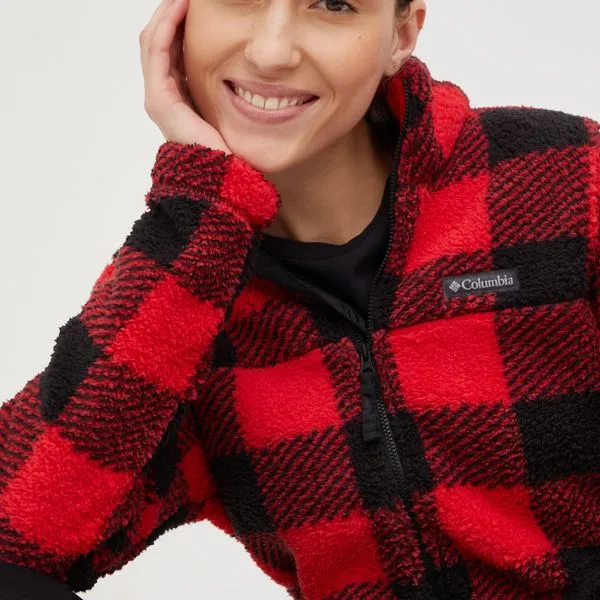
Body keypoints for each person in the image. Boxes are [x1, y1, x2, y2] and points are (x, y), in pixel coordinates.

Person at [0, 0, 598, 597]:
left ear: (401, 34)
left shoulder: (564, 177)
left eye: (334, 5)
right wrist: (198, 206)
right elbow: (16, 536)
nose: (271, 52)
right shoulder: (184, 299)